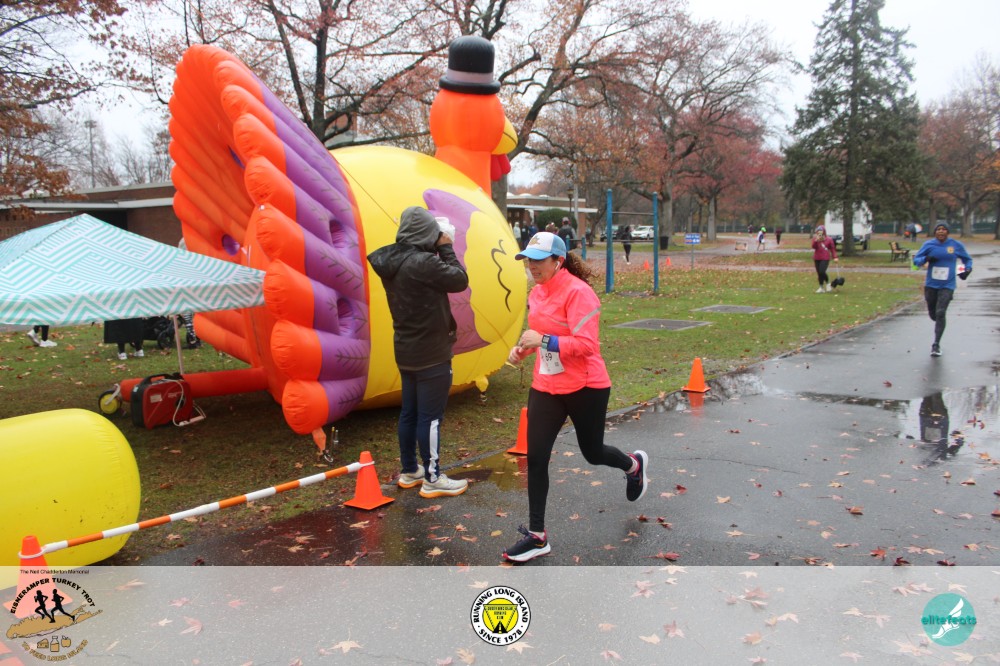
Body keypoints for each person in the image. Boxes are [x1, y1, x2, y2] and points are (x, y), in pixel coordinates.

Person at [501, 231, 649, 563]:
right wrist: (523, 349)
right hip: (547, 386)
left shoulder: (579, 293)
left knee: (593, 452)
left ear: (558, 261)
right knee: (536, 457)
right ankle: (537, 536)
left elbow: (586, 346)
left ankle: (633, 465)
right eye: (528, 260)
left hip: (586, 385)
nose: (532, 267)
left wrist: (541, 341)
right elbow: (540, 336)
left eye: (539, 260)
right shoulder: (536, 293)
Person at [367, 206, 470, 498]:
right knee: (431, 417)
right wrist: (446, 247)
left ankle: (410, 470)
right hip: (432, 352)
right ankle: (433, 477)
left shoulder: (392, 260)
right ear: (426, 233)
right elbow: (459, 279)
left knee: (410, 413)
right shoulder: (423, 263)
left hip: (406, 349)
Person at [912, 222, 972, 357]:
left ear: (947, 232)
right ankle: (937, 321)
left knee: (940, 313)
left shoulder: (955, 245)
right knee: (933, 314)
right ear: (935, 232)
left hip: (948, 285)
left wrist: (966, 270)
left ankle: (936, 344)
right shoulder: (928, 245)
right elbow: (916, 261)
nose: (941, 231)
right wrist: (926, 258)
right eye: (938, 229)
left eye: (944, 229)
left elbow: (967, 260)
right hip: (931, 285)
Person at [811, 225, 838, 293]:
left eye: (821, 232)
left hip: (825, 258)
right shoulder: (815, 239)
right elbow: (813, 246)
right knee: (819, 273)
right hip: (817, 257)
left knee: (822, 271)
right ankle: (821, 287)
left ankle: (828, 283)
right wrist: (816, 241)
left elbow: (832, 249)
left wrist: (835, 257)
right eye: (818, 232)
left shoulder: (829, 239)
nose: (820, 233)